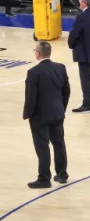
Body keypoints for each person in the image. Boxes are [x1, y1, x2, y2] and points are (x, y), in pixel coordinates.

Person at [23, 41, 70, 188]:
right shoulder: (60, 68)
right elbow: (66, 91)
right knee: (59, 144)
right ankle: (62, 174)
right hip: (57, 113)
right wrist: (61, 108)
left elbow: (31, 97)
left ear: (38, 54)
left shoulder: (33, 72)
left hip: (40, 116)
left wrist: (28, 114)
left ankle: (44, 178)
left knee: (42, 147)